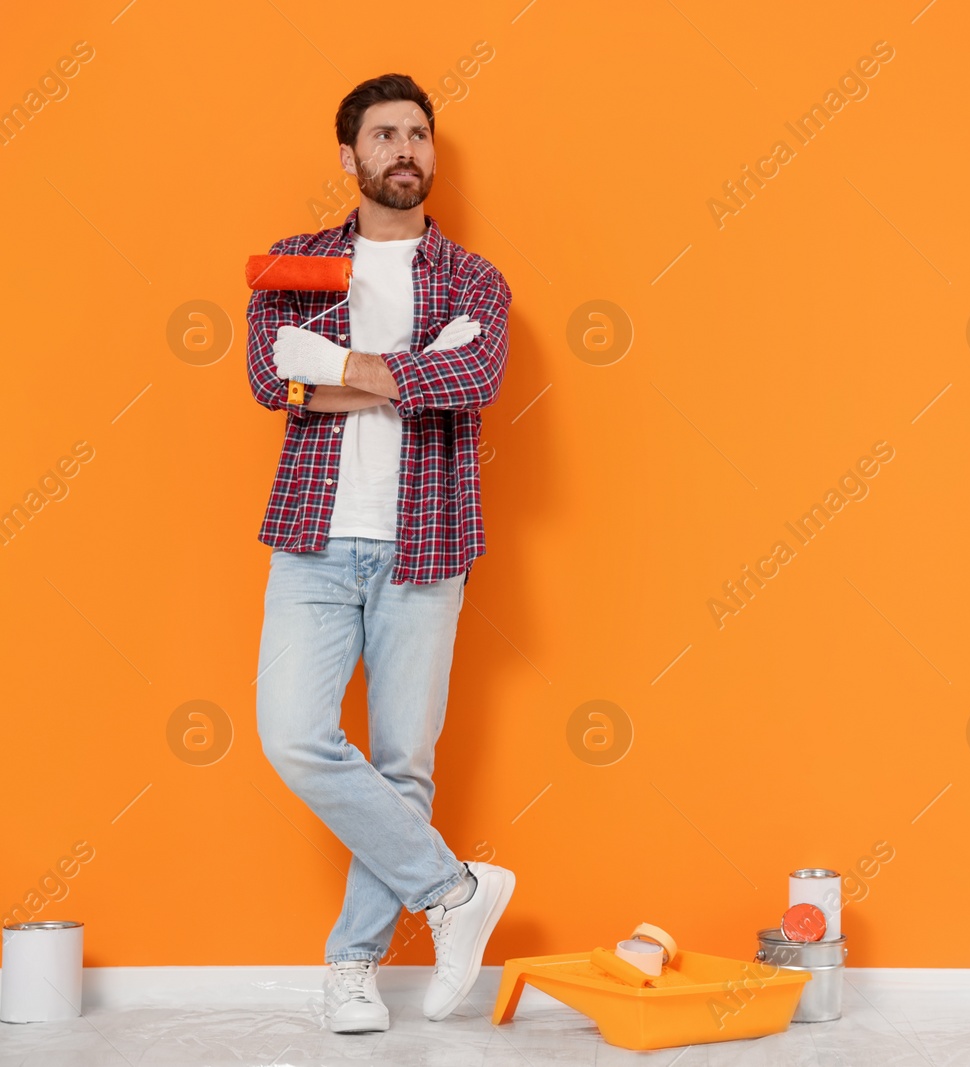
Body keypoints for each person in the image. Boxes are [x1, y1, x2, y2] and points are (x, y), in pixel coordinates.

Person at [244, 72, 515, 1034]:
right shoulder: (295, 264)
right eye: (385, 134)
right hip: (314, 539)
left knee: (404, 761)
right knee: (293, 735)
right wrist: (412, 370)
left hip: (426, 542)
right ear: (351, 155)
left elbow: (474, 374)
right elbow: (272, 381)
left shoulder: (474, 280)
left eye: (418, 135)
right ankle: (454, 890)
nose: (405, 150)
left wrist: (342, 370)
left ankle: (354, 964)